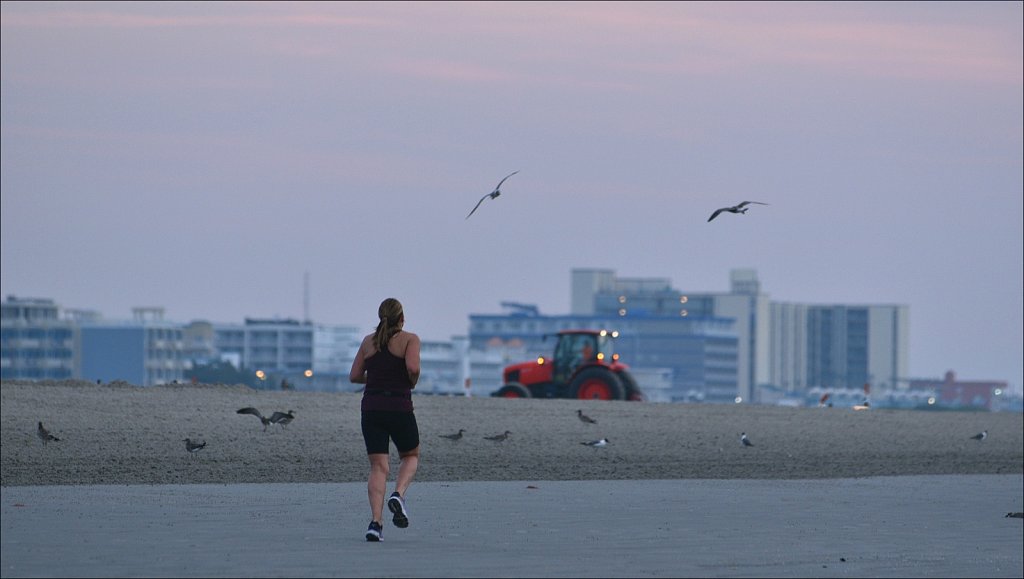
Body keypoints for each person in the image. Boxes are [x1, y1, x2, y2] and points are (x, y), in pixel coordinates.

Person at [349, 297, 421, 542]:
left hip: (372, 409)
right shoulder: (410, 339)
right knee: (410, 456)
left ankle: (375, 524)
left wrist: (378, 380)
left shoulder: (368, 342)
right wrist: (411, 381)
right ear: (402, 318)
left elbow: (355, 375)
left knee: (378, 467)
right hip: (399, 407)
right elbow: (412, 368)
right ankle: (398, 495)